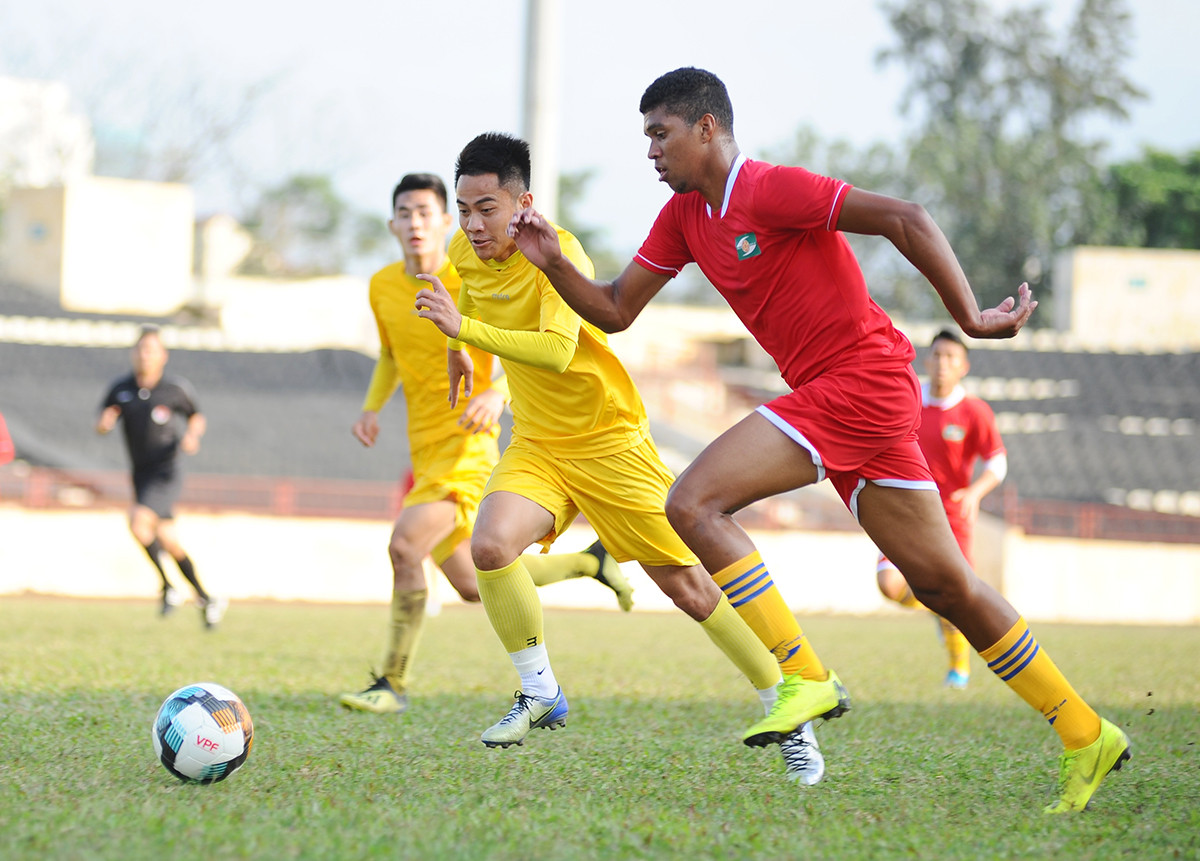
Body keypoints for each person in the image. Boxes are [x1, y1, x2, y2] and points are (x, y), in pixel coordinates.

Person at [506, 67, 1129, 813]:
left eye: (659, 134)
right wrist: (552, 262)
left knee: (695, 502)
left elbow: (907, 217)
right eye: (646, 137)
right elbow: (612, 310)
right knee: (945, 586)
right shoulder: (682, 220)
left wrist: (968, 315)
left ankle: (802, 674)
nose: (650, 152)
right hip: (848, 402)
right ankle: (1086, 731)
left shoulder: (770, 188)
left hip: (862, 380)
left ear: (707, 128)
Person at [415, 132, 825, 786]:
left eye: (486, 208)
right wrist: (458, 350)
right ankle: (540, 690)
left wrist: (461, 332)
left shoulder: (558, 251)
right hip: (541, 444)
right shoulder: (466, 250)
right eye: (463, 208)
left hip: (609, 441)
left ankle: (787, 706)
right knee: (488, 548)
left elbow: (553, 349)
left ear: (522, 202)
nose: (471, 223)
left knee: (689, 587)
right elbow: (463, 289)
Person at [338, 173, 637, 718]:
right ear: (392, 224)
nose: (415, 224)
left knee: (405, 546)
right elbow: (389, 354)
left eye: (426, 213)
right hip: (424, 447)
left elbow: (518, 340)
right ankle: (588, 565)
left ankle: (391, 681)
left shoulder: (468, 269)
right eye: (405, 214)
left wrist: (496, 392)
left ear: (445, 222)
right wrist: (371, 407)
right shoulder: (382, 286)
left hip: (468, 446)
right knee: (476, 584)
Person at [876, 329, 1007, 689]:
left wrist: (974, 493)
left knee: (957, 594)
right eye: (936, 355)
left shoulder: (974, 411)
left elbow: (997, 463)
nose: (942, 363)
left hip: (951, 516)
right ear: (927, 360)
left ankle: (958, 669)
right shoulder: (909, 399)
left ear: (963, 366)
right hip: (903, 511)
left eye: (950, 357)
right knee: (889, 584)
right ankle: (937, 610)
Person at [97, 325, 227, 628]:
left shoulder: (174, 389)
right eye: (141, 349)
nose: (146, 355)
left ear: (162, 356)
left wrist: (193, 435)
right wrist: (104, 424)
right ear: (134, 353)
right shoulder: (121, 388)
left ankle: (168, 588)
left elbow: (197, 415)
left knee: (138, 522)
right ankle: (207, 599)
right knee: (167, 539)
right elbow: (103, 420)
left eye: (152, 350)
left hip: (167, 470)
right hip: (140, 474)